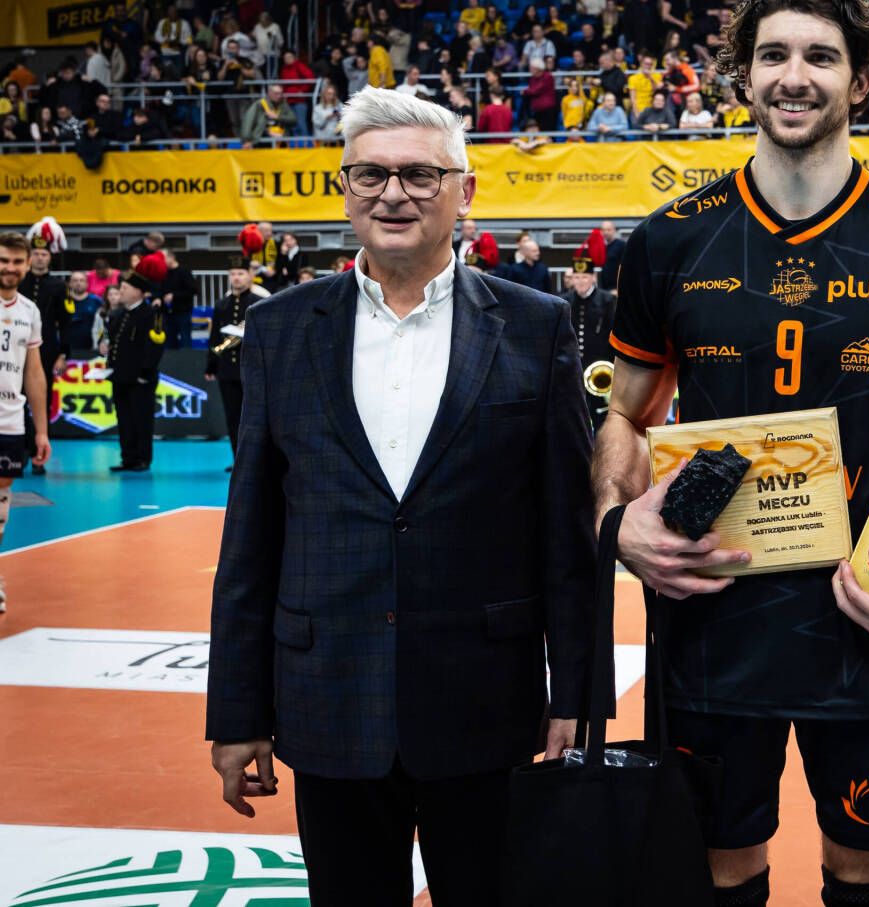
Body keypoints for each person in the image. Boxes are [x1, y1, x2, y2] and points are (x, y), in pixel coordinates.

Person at [594, 0, 869, 907]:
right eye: (772, 54)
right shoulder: (670, 239)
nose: (794, 75)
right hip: (708, 616)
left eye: (821, 56)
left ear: (863, 80)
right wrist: (620, 524)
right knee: (715, 874)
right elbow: (624, 414)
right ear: (743, 74)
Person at [206, 87, 598, 903]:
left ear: (465, 190)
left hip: (486, 701)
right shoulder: (279, 330)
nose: (393, 193)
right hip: (328, 697)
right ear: (344, 188)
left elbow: (567, 533)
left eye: (421, 174)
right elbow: (252, 536)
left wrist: (579, 696)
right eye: (370, 174)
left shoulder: (537, 325)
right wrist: (237, 712)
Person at [0, 233, 53, 613]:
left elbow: (34, 373)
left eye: (17, 261)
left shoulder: (30, 310)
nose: (9, 268)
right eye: (4, 260)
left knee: (2, 496)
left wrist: (42, 430)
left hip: (10, 417)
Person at [104, 255, 166, 473]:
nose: (120, 291)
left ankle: (142, 458)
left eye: (125, 287)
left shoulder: (151, 314)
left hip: (140, 378)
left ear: (138, 292)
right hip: (120, 376)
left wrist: (145, 373)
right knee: (124, 419)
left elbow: (155, 346)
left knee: (141, 419)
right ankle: (128, 457)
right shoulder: (118, 314)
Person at [19, 222, 71, 474]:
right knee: (16, 402)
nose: (40, 258)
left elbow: (66, 323)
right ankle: (20, 452)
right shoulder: (19, 281)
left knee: (42, 402)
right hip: (17, 348)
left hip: (47, 351)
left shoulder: (60, 286)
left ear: (50, 257)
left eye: (44, 254)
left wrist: (63, 354)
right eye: (36, 254)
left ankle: (39, 456)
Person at [559, 234, 616, 433]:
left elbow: (613, 334)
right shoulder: (564, 301)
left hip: (600, 369)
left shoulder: (607, 301)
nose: (580, 281)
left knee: (601, 418)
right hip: (573, 370)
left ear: (593, 277)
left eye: (584, 277)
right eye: (576, 277)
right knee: (573, 417)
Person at [205, 258, 258, 464]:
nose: (236, 278)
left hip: (251, 369)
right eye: (233, 274)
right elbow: (214, 337)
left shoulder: (258, 302)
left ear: (250, 276)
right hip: (227, 368)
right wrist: (211, 365)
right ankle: (238, 460)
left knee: (253, 417)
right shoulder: (221, 305)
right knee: (232, 416)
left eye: (241, 273)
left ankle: (254, 461)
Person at [161, 250, 196, 349]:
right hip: (168, 313)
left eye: (163, 258)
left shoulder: (184, 271)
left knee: (185, 340)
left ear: (171, 257)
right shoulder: (164, 273)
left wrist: (174, 296)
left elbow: (193, 290)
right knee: (169, 342)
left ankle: (187, 358)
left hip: (183, 312)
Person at [598, 219, 625, 292]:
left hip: (616, 289)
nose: (606, 232)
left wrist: (619, 288)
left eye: (608, 230)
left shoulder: (621, 245)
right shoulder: (601, 247)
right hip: (603, 289)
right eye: (603, 230)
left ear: (614, 230)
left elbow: (624, 268)